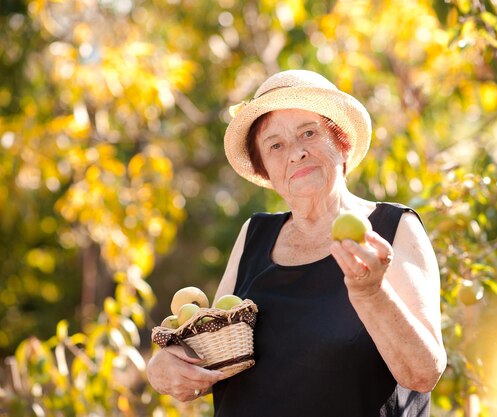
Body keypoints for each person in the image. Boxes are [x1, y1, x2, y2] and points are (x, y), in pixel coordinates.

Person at [146, 69, 447, 416]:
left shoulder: (391, 228)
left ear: (342, 143)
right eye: (275, 145)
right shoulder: (254, 235)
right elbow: (214, 360)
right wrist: (163, 367)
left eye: (309, 133)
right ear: (265, 172)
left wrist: (371, 294)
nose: (296, 153)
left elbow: (423, 373)